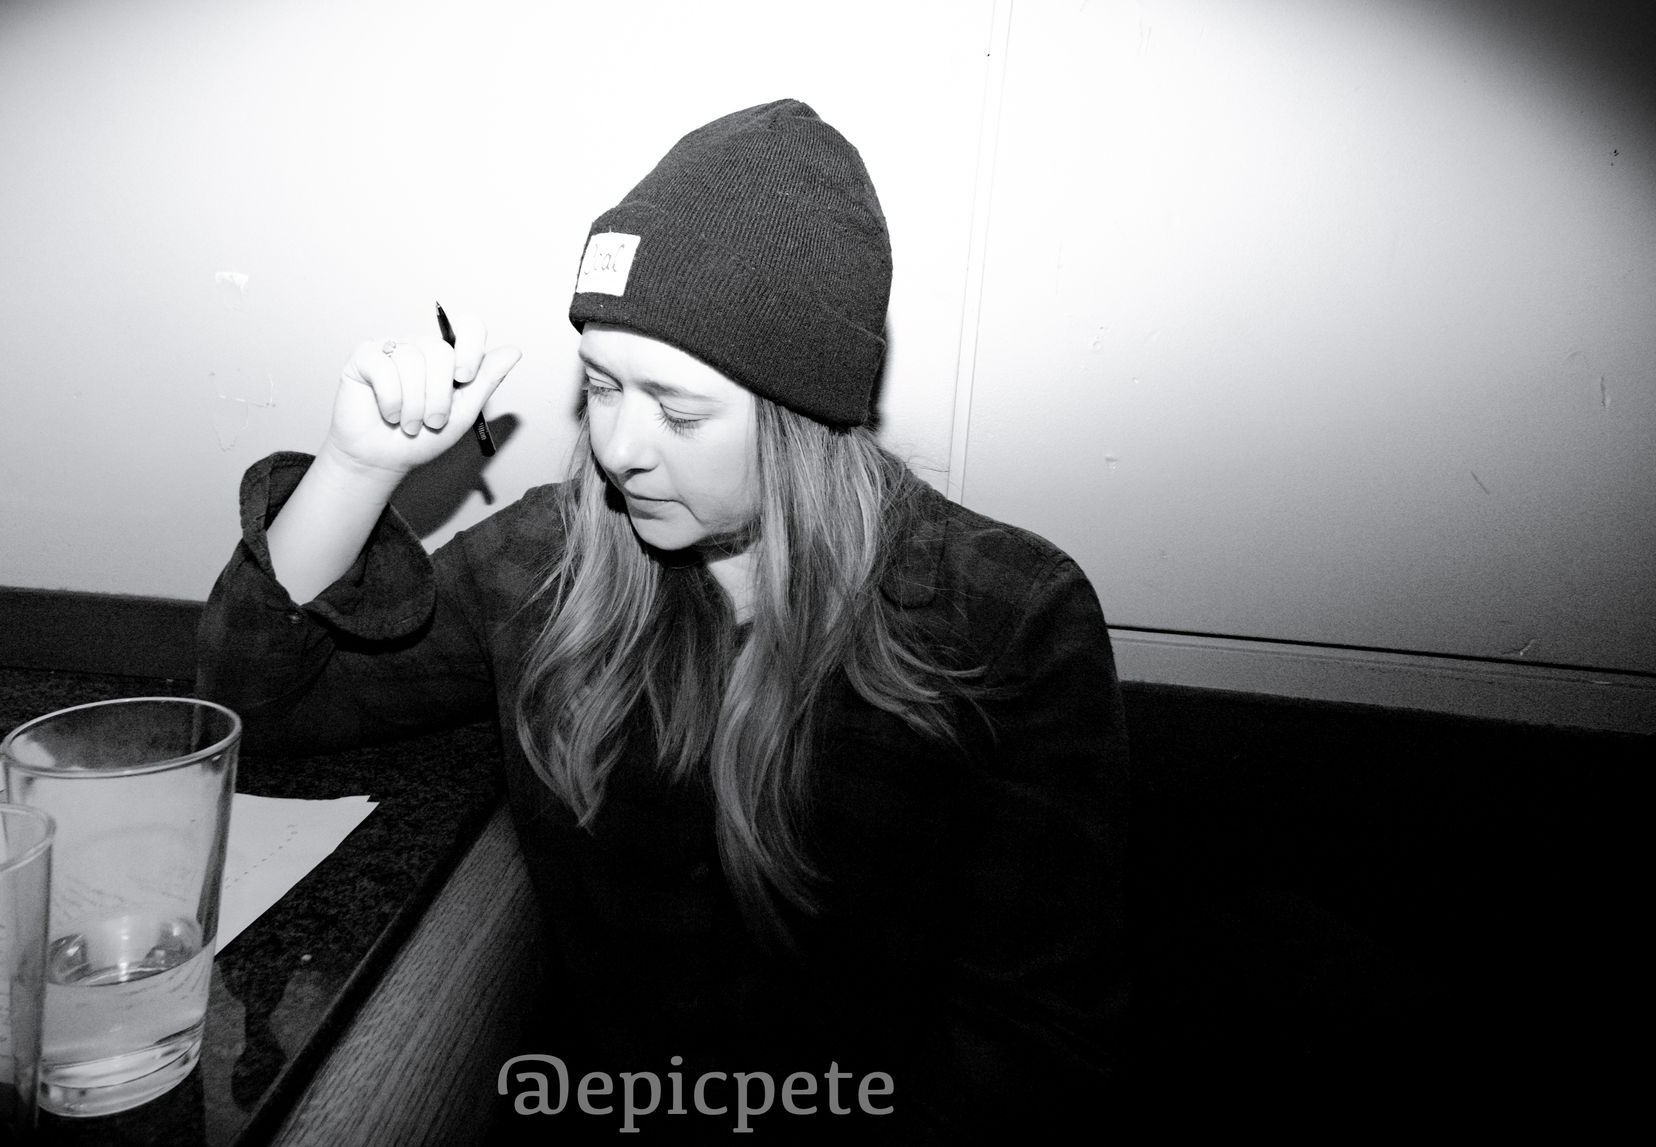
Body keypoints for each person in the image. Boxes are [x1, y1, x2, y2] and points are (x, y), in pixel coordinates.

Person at [198, 99, 1128, 1141]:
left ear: (803, 415)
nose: (619, 448)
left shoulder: (1006, 619)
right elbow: (258, 709)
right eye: (599, 387)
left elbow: (1033, 1050)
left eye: (678, 411)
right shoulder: (553, 555)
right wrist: (357, 468)